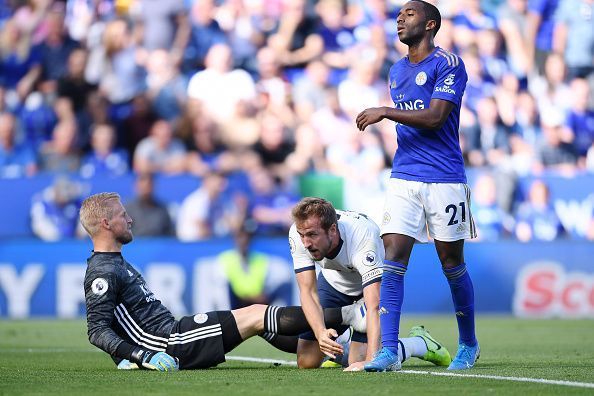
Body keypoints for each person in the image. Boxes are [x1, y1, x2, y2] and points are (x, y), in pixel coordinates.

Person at [79, 192, 366, 371]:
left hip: (172, 336)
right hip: (169, 343)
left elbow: (119, 322)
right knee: (256, 314)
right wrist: (141, 355)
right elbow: (97, 330)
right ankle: (351, 314)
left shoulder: (114, 262)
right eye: (122, 215)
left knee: (257, 323)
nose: (130, 219)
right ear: (105, 224)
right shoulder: (102, 271)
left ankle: (337, 345)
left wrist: (124, 358)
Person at [356, 0, 479, 371]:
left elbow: (436, 118)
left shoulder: (449, 64)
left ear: (430, 24)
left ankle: (468, 345)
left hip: (444, 178)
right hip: (404, 175)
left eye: (409, 14)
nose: (400, 19)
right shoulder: (395, 70)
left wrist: (384, 111)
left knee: (451, 261)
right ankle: (389, 350)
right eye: (398, 15)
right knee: (392, 254)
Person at [289, 197, 451, 371]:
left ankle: (419, 344)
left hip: (365, 291)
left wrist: (371, 360)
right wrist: (321, 332)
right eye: (302, 235)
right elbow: (307, 291)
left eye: (312, 234)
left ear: (332, 230)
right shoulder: (300, 233)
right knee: (307, 362)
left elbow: (375, 305)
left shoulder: (362, 236)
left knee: (360, 361)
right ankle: (344, 342)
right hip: (332, 283)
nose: (305, 242)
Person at [124, 172, 174, 237]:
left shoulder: (162, 210)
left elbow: (171, 236)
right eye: (142, 184)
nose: (146, 188)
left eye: (149, 184)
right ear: (136, 186)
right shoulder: (127, 210)